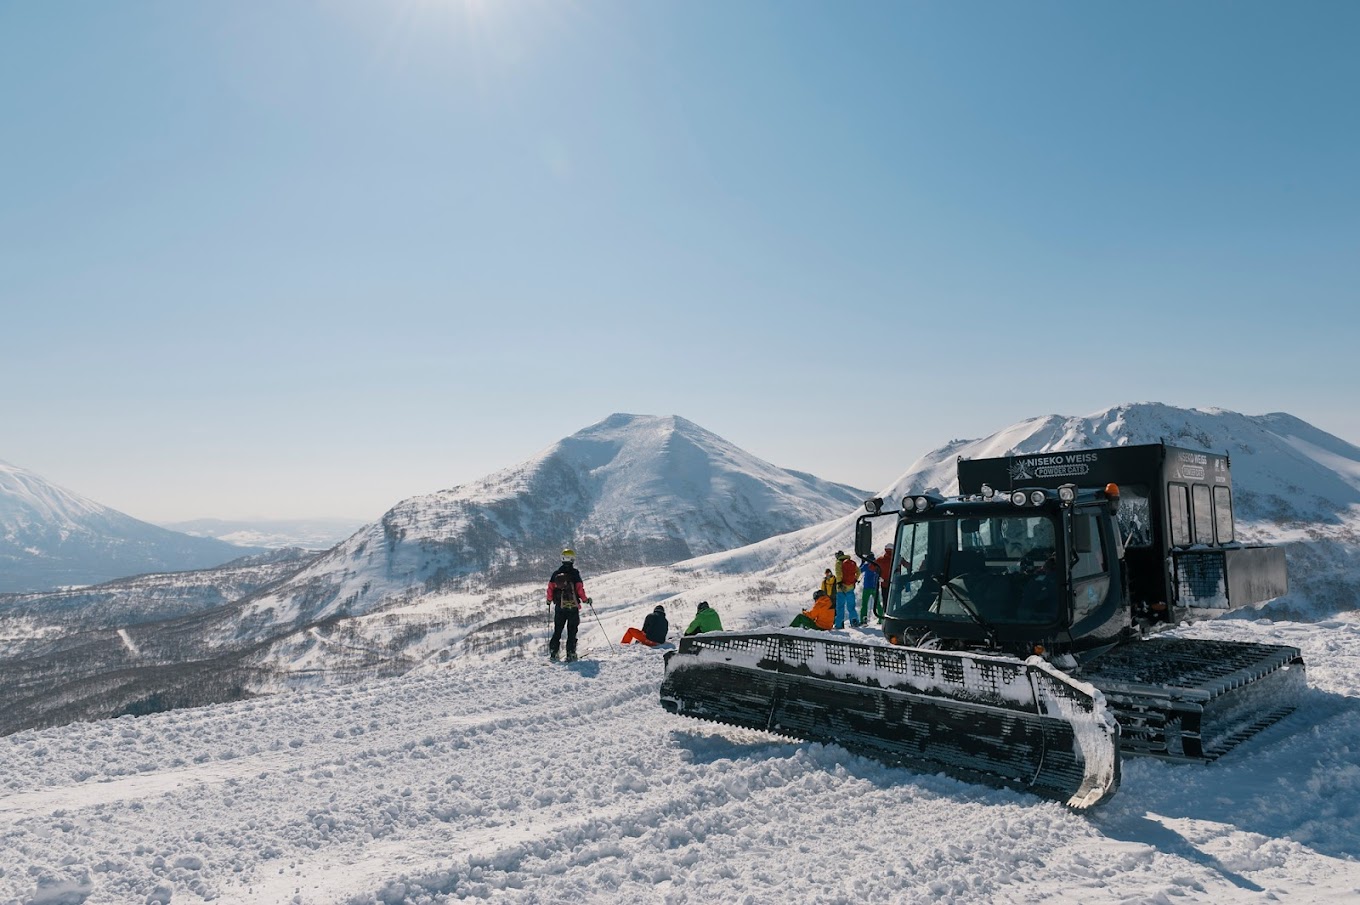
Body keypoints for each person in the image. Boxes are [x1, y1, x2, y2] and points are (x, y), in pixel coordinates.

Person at [546, 548, 589, 661]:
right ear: (573, 559)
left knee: (558, 630)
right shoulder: (575, 574)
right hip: (573, 608)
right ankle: (571, 653)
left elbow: (550, 589)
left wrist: (549, 600)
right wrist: (585, 600)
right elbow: (580, 589)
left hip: (560, 607)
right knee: (572, 631)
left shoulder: (556, 574)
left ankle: (554, 652)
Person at [833, 551, 859, 629]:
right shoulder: (851, 562)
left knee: (840, 607)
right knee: (851, 606)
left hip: (841, 588)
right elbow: (858, 571)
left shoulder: (838, 562)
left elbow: (838, 573)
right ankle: (854, 621)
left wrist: (839, 582)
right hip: (850, 587)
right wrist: (854, 580)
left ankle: (839, 624)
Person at [858, 554, 881, 625]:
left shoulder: (867, 565)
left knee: (864, 604)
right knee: (877, 604)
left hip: (867, 587)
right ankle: (881, 618)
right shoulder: (877, 565)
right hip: (875, 587)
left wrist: (862, 563)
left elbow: (859, 570)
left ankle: (863, 619)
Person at [875, 544, 894, 622]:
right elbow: (907, 565)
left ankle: (886, 618)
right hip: (895, 584)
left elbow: (871, 567)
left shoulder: (880, 559)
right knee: (896, 602)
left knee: (886, 601)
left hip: (884, 584)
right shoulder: (896, 559)